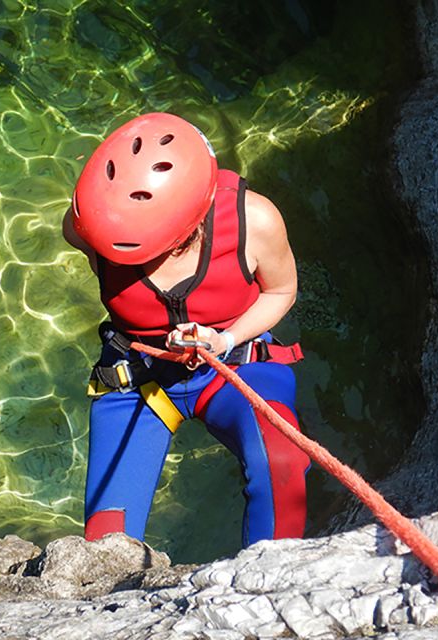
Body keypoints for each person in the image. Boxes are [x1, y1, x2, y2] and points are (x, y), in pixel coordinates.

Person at [63, 112, 310, 547]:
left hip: (234, 366)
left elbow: (281, 292)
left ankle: (265, 590)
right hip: (139, 377)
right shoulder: (89, 230)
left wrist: (225, 338)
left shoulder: (255, 222)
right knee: (105, 544)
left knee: (284, 464)